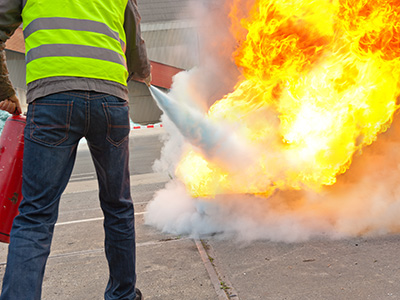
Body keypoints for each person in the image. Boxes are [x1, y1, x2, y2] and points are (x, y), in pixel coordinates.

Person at [0, 0, 152, 299]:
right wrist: (140, 71)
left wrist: (5, 90)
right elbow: (135, 47)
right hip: (110, 100)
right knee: (118, 206)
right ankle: (123, 295)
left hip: (52, 99)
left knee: (35, 215)